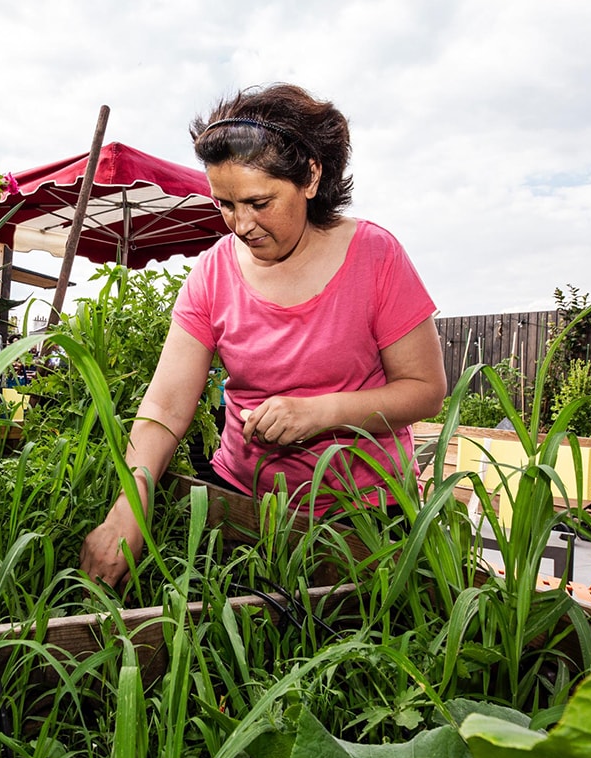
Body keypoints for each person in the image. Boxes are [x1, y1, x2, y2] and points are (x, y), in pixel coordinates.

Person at [79, 83, 447, 588]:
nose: (241, 225)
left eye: (259, 202)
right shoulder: (211, 275)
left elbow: (426, 390)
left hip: (365, 516)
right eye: (225, 204)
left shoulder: (376, 256)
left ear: (311, 177)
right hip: (241, 502)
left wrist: (318, 413)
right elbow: (165, 407)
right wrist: (129, 506)